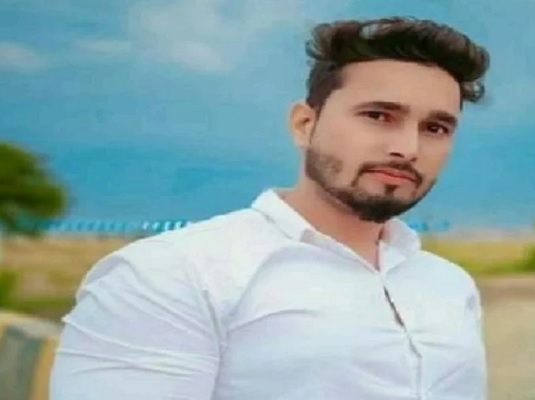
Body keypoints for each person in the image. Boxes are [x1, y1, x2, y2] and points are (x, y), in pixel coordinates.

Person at [50, 16, 491, 400]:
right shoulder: (171, 276)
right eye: (378, 116)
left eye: (436, 127)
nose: (408, 148)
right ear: (304, 124)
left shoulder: (448, 285)